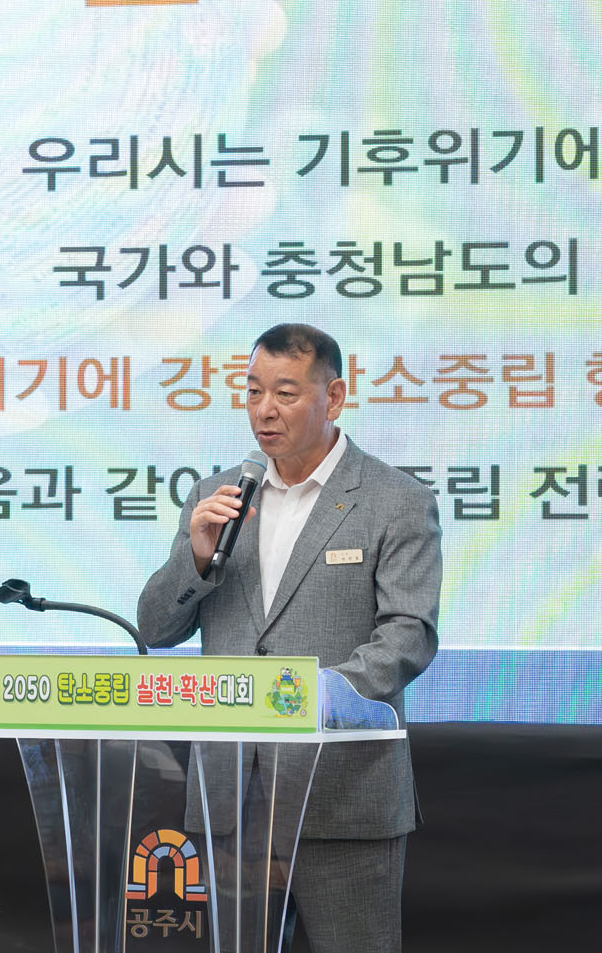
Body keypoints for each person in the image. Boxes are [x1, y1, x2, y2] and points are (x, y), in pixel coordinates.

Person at [138, 323, 441, 953]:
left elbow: (408, 634)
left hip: (341, 794)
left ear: (334, 398)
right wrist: (195, 559)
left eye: (285, 393)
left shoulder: (395, 500)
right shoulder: (217, 497)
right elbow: (156, 627)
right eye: (253, 392)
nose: (264, 410)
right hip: (231, 799)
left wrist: (314, 694)